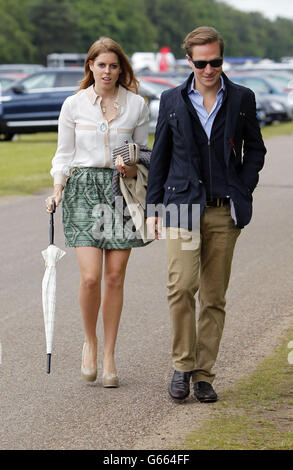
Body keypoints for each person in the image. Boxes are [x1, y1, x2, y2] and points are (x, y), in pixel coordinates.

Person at [146, 26, 266, 402]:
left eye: (215, 61)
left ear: (221, 58)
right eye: (202, 63)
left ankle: (203, 374)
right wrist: (152, 208)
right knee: (181, 287)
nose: (209, 69)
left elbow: (256, 150)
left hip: (223, 212)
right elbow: (160, 156)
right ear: (189, 61)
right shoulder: (171, 100)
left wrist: (242, 187)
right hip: (181, 208)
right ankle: (182, 365)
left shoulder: (243, 98)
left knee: (214, 296)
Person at [45, 37, 149, 388]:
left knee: (115, 276)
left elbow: (144, 155)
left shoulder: (136, 105)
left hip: (120, 192)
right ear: (90, 66)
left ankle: (109, 356)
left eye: (113, 65)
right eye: (101, 64)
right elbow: (63, 154)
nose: (107, 71)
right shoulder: (73, 105)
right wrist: (57, 188)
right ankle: (90, 342)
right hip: (82, 191)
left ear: (122, 70)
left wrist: (130, 168)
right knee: (90, 277)